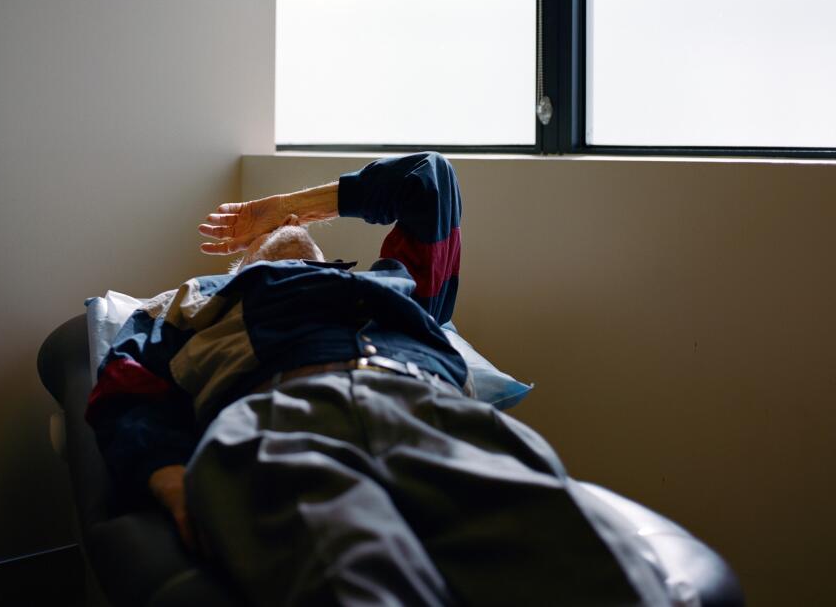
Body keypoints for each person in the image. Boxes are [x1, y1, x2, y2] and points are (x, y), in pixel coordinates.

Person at [86, 152, 674, 606]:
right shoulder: (194, 300)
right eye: (275, 236)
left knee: (595, 566)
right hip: (278, 419)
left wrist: (292, 207)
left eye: (300, 231)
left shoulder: (397, 284)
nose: (291, 231)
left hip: (428, 408)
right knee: (352, 581)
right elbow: (125, 391)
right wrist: (174, 485)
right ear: (242, 263)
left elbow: (429, 177)